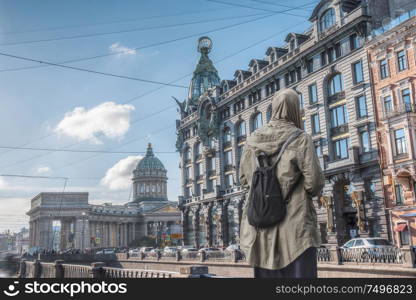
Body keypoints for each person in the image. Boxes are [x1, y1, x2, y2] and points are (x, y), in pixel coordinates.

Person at [239, 88, 325, 278]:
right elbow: (315, 183)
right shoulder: (300, 138)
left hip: (261, 230)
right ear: (295, 109)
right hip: (296, 231)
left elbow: (244, 180)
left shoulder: (251, 140)